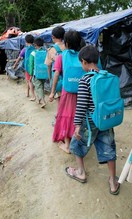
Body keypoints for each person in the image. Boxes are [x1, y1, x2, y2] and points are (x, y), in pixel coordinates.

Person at [64, 45, 120, 195]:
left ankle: (81, 172)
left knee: (77, 145)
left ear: (83, 61)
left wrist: (77, 125)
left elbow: (81, 105)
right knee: (109, 147)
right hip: (106, 120)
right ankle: (113, 181)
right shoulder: (107, 76)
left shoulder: (85, 80)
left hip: (90, 122)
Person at [49, 30, 83, 153]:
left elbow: (56, 75)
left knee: (66, 116)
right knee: (79, 116)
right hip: (82, 93)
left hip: (67, 93)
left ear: (66, 43)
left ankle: (68, 145)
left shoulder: (62, 56)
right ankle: (79, 141)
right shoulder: (83, 56)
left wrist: (52, 92)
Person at [13, 34, 36, 100]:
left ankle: (33, 96)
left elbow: (19, 58)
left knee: (29, 81)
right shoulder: (35, 48)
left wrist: (15, 65)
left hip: (28, 68)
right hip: (35, 67)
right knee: (29, 80)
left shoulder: (25, 49)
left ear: (26, 41)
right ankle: (27, 93)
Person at [45, 26, 66, 99]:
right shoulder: (68, 47)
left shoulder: (51, 50)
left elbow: (48, 65)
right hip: (68, 78)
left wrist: (50, 78)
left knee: (59, 100)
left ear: (53, 36)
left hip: (57, 79)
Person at [29, 37, 47, 108]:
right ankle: (39, 99)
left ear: (35, 44)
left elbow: (31, 64)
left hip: (36, 73)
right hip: (44, 73)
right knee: (41, 86)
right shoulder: (46, 52)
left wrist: (30, 74)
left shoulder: (33, 53)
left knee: (38, 86)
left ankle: (43, 101)